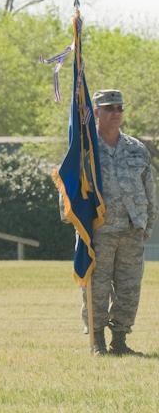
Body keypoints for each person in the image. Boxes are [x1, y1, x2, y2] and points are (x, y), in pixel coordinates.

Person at [84, 89, 156, 356]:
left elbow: (150, 190)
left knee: (129, 288)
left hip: (131, 230)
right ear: (97, 112)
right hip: (99, 231)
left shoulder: (136, 149)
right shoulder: (86, 150)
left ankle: (120, 341)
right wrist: (78, 226)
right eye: (109, 108)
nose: (116, 113)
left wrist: (147, 224)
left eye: (119, 108)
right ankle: (98, 342)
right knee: (97, 288)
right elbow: (69, 190)